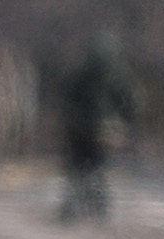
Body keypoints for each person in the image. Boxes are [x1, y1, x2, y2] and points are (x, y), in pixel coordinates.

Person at [58, 31, 139, 221]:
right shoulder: (117, 74)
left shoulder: (82, 72)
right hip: (104, 130)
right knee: (97, 169)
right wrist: (123, 123)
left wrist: (71, 120)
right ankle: (98, 210)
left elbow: (67, 98)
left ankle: (72, 211)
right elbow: (131, 102)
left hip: (81, 130)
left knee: (77, 169)